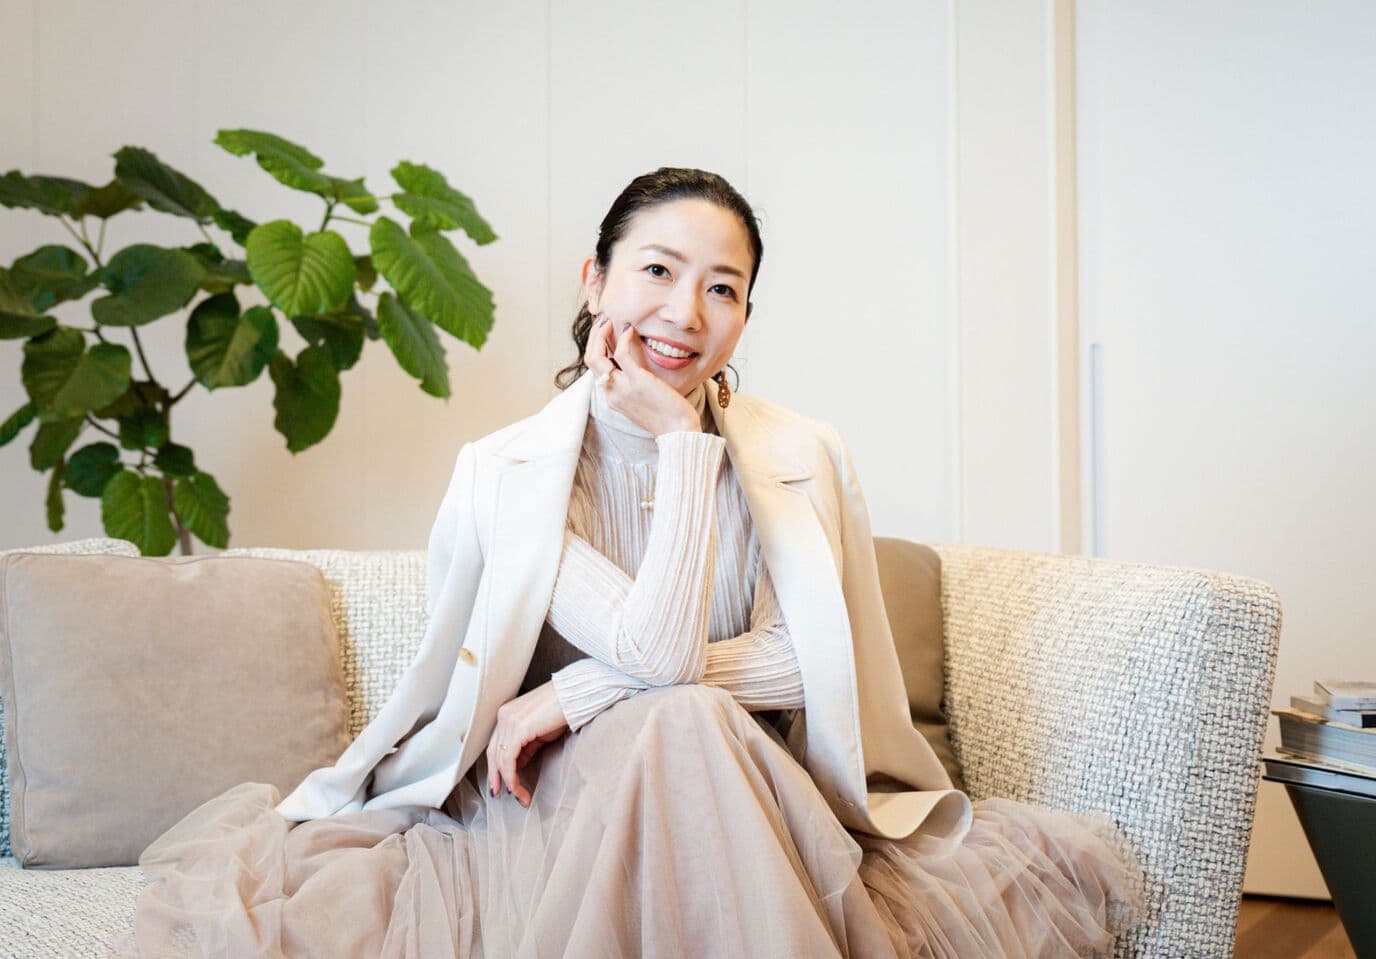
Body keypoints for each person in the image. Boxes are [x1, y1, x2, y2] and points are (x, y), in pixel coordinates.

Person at [110, 167, 1145, 958]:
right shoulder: (512, 471)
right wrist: (683, 448)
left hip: (753, 792)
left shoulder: (801, 453)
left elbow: (802, 660)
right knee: (679, 711)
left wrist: (568, 693)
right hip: (551, 811)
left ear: (745, 316)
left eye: (722, 288)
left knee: (689, 719)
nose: (686, 313)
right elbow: (659, 655)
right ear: (596, 279)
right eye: (656, 270)